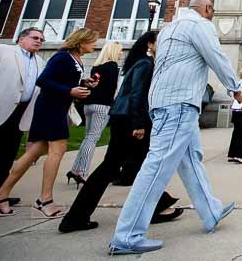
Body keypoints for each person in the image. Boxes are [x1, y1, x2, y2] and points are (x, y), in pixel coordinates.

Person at [108, 0, 242, 255]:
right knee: (157, 166)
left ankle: (210, 211)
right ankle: (127, 235)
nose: (212, 15)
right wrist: (235, 89)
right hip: (179, 103)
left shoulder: (169, 29)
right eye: (211, 11)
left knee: (190, 159)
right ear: (205, 9)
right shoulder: (200, 26)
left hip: (164, 102)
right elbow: (216, 56)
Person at [59, 32, 183, 233]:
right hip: (129, 121)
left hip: (124, 119)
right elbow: (136, 95)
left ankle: (156, 205)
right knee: (114, 168)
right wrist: (138, 124)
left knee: (139, 165)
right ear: (150, 44)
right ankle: (75, 217)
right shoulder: (145, 64)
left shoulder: (142, 62)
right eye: (162, 41)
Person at [0, 28, 99, 218]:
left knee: (34, 152)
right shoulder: (63, 56)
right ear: (81, 42)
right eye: (92, 42)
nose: (94, 45)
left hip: (56, 107)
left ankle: (0, 194)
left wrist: (84, 82)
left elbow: (62, 78)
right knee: (58, 150)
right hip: (50, 108)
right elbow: (43, 80)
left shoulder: (73, 58)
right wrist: (69, 91)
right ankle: (44, 200)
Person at [0, 28, 46, 212]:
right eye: (35, 37)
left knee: (2, 162)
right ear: (21, 38)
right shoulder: (1, 50)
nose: (39, 41)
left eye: (42, 39)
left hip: (17, 118)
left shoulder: (40, 63)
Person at [67, 41, 122, 185]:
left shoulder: (97, 67)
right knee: (93, 139)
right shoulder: (113, 66)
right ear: (114, 51)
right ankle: (82, 172)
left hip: (89, 105)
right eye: (120, 50)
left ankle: (75, 169)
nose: (121, 53)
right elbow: (112, 89)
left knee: (87, 138)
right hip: (102, 106)